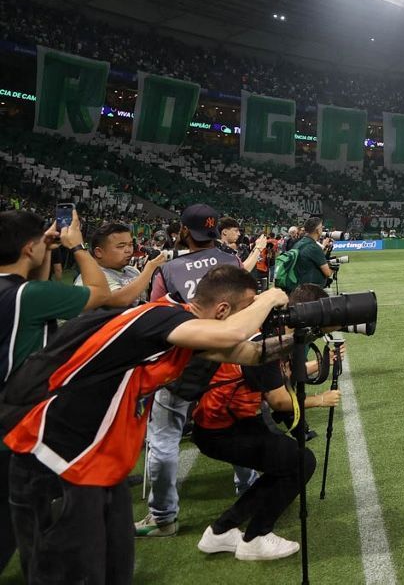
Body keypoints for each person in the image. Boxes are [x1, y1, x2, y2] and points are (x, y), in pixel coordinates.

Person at [5, 266, 293, 583]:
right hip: (55, 459)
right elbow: (231, 334)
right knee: (69, 575)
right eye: (247, 310)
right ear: (223, 310)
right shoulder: (159, 318)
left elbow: (251, 353)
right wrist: (269, 298)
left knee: (114, 570)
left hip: (96, 466)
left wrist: (301, 333)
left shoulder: (176, 329)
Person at [192, 284, 341, 561]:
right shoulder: (264, 340)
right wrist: (320, 399)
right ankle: (256, 537)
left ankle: (221, 531)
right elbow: (279, 400)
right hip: (223, 429)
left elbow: (277, 378)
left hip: (227, 422)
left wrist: (316, 364)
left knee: (284, 463)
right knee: (300, 462)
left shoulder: (271, 329)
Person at [0, 209, 111, 572]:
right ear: (28, 248)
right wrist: (77, 247)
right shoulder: (27, 297)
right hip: (17, 420)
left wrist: (43, 251)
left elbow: (37, 287)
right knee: (33, 523)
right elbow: (99, 291)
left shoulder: (20, 292)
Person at [140, 204, 246, 538]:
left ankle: (163, 517)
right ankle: (248, 490)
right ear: (215, 230)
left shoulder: (168, 269)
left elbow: (155, 315)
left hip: (182, 362)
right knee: (240, 428)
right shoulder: (232, 261)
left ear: (185, 231)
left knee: (164, 439)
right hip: (230, 357)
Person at [76, 222, 168, 309]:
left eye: (130, 244)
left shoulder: (132, 271)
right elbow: (121, 300)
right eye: (121, 246)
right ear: (99, 252)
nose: (128, 250)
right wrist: (149, 269)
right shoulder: (90, 277)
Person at [286, 217, 334, 293]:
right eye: (321, 227)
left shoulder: (299, 243)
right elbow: (327, 273)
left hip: (299, 288)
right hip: (311, 292)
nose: (322, 229)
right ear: (317, 230)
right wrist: (333, 268)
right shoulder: (313, 247)